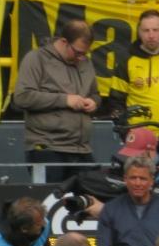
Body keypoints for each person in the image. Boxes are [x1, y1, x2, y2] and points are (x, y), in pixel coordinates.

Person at [12, 20, 101, 178]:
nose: (81, 57)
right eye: (78, 52)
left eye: (85, 54)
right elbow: (22, 97)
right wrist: (64, 100)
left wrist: (94, 102)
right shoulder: (36, 59)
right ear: (63, 41)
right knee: (51, 195)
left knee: (93, 192)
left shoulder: (85, 63)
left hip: (82, 149)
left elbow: (95, 93)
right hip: (47, 147)